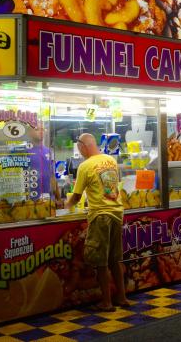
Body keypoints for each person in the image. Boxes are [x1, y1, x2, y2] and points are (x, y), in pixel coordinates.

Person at [65, 133, 129, 310]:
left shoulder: (85, 166)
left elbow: (76, 197)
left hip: (100, 215)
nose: (79, 151)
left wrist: (64, 207)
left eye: (79, 148)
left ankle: (107, 302)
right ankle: (122, 297)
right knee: (115, 259)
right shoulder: (110, 160)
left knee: (101, 261)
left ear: (82, 146)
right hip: (117, 212)